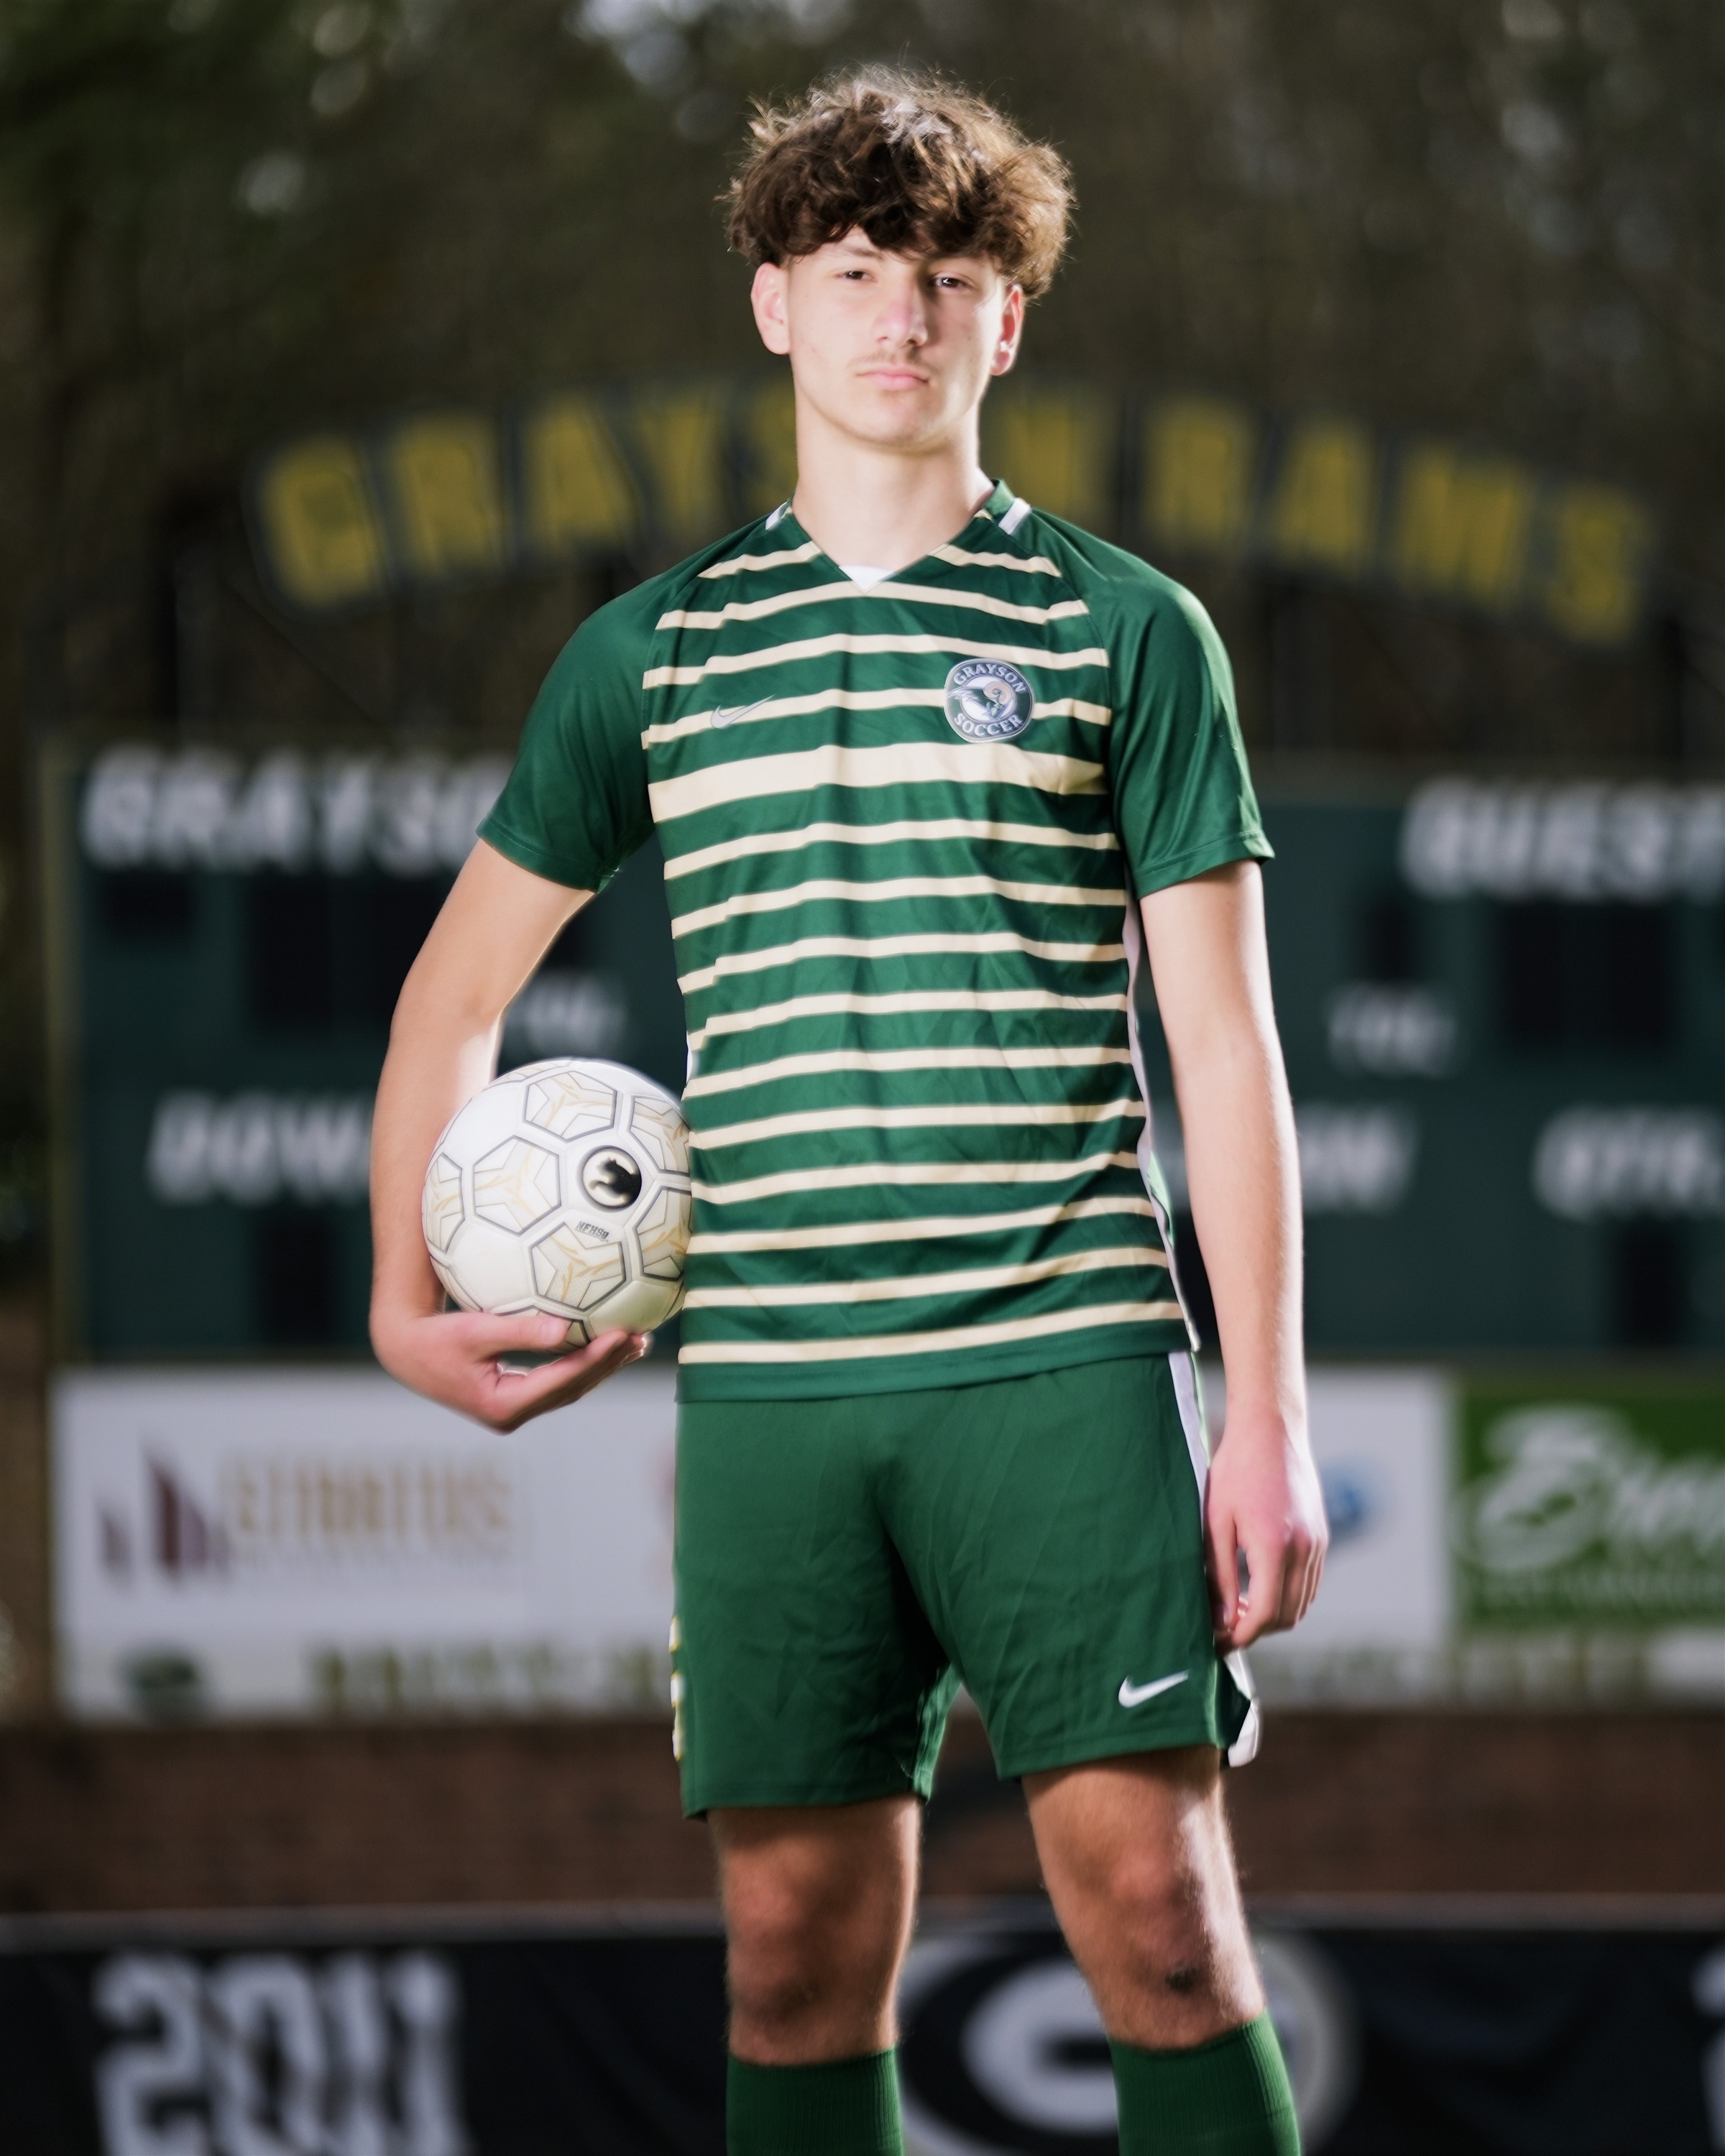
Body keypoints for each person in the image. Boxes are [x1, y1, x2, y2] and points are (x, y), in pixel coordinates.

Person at [369, 70, 1327, 2156]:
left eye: (954, 277)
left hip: (1060, 1364)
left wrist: (1263, 1413)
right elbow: (453, 997)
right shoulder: (652, 656)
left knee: (1163, 1927)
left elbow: (1228, 1050)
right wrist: (398, 1300)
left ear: (1012, 321)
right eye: (860, 269)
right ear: (775, 303)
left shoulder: (1126, 630)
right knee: (792, 1959)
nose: (906, 314)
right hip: (776, 1392)